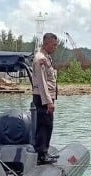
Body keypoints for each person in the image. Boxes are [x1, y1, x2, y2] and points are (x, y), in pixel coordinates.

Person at [32, 32, 59, 164]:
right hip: (42, 97)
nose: (55, 47)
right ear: (47, 43)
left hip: (46, 97)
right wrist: (48, 102)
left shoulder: (46, 57)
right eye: (54, 45)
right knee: (44, 124)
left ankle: (45, 151)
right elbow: (42, 83)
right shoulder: (40, 59)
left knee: (48, 125)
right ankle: (41, 154)